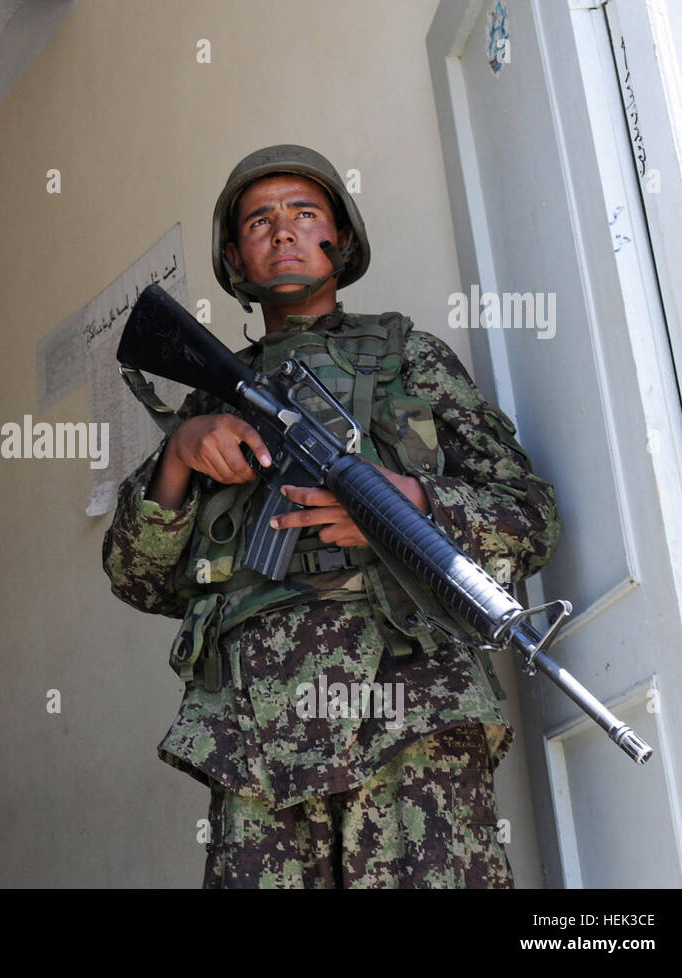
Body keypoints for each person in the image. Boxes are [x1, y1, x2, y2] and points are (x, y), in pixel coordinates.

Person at [103, 145, 560, 888]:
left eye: (304, 214)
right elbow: (138, 579)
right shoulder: (207, 403)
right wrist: (179, 456)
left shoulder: (409, 357)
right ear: (234, 258)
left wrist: (409, 505)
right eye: (260, 221)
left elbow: (531, 517)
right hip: (254, 728)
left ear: (340, 241)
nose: (283, 232)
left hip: (413, 706)